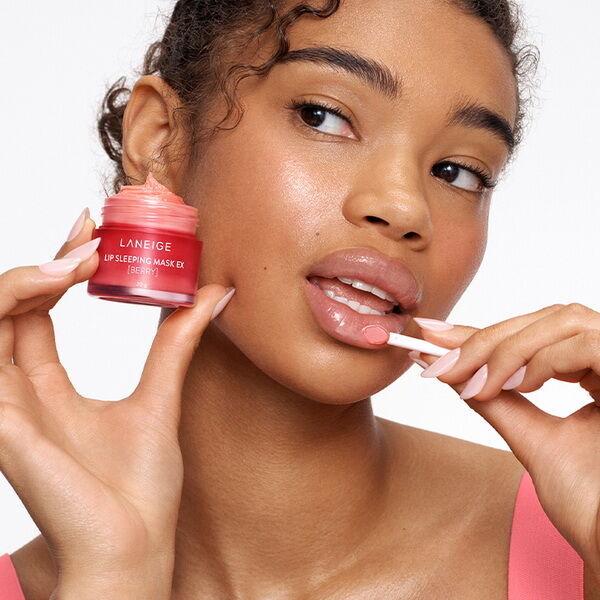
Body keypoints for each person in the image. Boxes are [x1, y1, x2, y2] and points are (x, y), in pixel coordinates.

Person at [1, 0, 600, 598]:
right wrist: (112, 575)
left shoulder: (580, 534)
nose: (404, 207)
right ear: (161, 139)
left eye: (458, 171)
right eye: (324, 116)